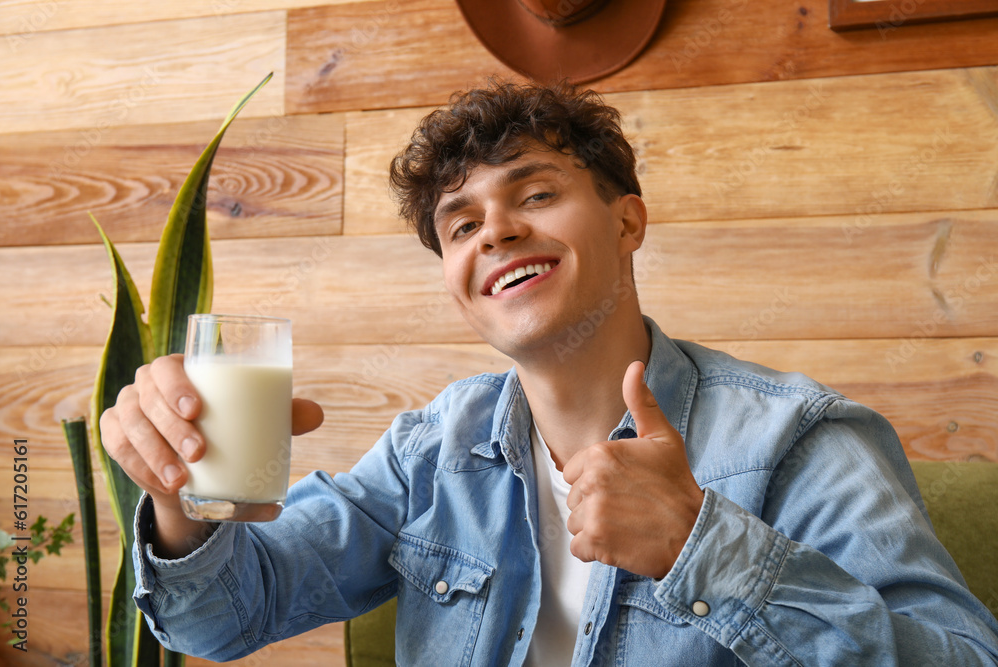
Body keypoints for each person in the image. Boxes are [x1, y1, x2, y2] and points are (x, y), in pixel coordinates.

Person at [102, 81, 998, 666]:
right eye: (460, 225)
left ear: (628, 222)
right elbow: (219, 619)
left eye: (535, 194)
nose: (494, 231)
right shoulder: (430, 453)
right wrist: (179, 499)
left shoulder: (799, 440)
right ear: (460, 283)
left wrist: (706, 545)